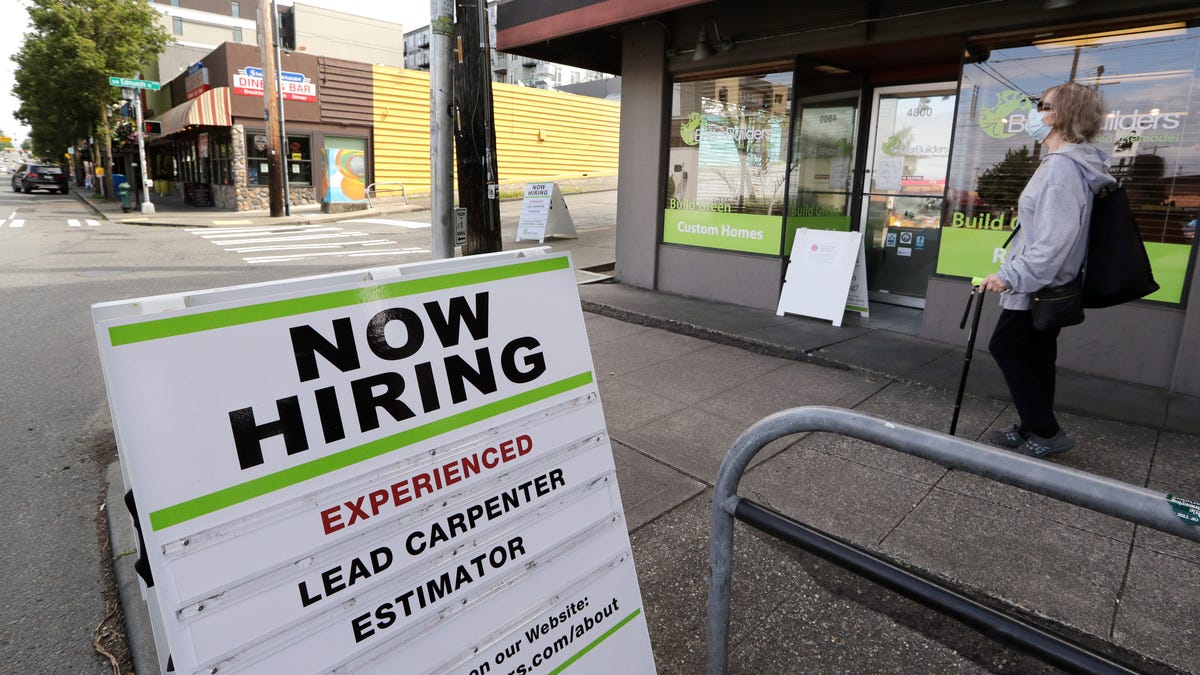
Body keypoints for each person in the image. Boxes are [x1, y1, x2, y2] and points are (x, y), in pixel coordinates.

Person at [978, 82, 1116, 458]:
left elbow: (1056, 241)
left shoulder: (1061, 170)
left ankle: (1046, 431)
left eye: (1041, 104)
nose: (1034, 112)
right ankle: (1030, 429)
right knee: (1037, 356)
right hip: (1049, 284)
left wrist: (1010, 276)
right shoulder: (1062, 165)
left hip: (1039, 284)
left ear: (1061, 115)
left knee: (1005, 346)